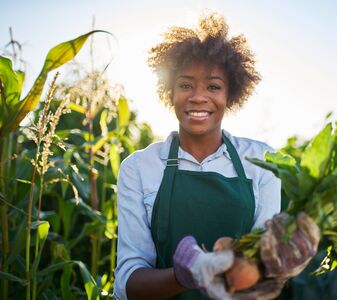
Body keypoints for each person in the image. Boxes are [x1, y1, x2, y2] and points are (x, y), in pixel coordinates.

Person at [113, 13, 320, 300]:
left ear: (231, 94)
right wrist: (185, 274)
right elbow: (128, 284)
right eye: (185, 85)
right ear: (170, 92)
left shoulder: (262, 161)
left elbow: (262, 268)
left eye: (213, 86)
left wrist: (283, 260)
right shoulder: (139, 167)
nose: (198, 97)